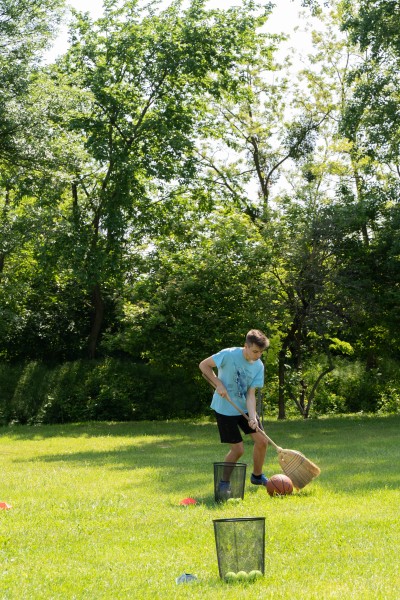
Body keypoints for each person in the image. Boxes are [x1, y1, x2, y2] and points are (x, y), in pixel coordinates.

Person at [199, 329, 270, 496]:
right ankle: (224, 482)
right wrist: (218, 384)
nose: (258, 355)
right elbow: (203, 365)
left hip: (244, 408)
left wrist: (252, 417)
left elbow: (251, 394)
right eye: (255, 351)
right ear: (246, 346)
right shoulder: (228, 354)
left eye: (261, 352)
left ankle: (257, 476)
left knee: (262, 441)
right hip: (224, 409)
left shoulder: (258, 366)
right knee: (238, 449)